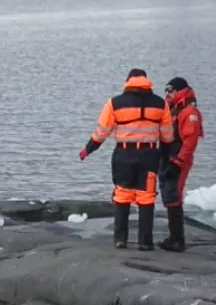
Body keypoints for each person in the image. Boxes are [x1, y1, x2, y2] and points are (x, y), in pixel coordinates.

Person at [79, 68, 175, 250]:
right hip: (149, 156)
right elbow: (168, 136)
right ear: (146, 81)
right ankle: (145, 242)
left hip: (124, 155)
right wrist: (166, 157)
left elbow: (101, 133)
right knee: (146, 198)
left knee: (122, 195)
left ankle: (120, 239)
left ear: (128, 81)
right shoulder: (160, 104)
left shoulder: (115, 103)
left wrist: (87, 150)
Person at [157, 77, 204, 252]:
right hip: (167, 155)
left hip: (178, 158)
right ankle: (173, 237)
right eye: (166, 90)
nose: (167, 94)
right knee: (168, 194)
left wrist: (178, 163)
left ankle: (178, 239)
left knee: (173, 194)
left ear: (180, 91)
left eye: (170, 90)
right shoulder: (172, 109)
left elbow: (190, 143)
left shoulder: (189, 112)